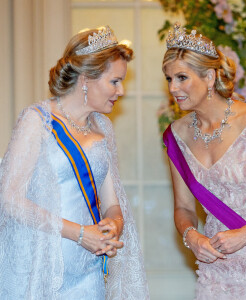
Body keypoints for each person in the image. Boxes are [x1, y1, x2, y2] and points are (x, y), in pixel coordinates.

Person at [0, 26, 149, 299]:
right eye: (114, 81)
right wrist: (81, 234)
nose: (122, 91)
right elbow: (10, 199)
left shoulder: (102, 128)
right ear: (86, 79)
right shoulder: (38, 121)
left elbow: (112, 201)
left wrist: (114, 222)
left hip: (89, 271)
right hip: (44, 268)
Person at [162, 22, 246, 299]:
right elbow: (183, 208)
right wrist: (192, 237)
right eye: (169, 79)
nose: (173, 88)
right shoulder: (176, 136)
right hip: (218, 266)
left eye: (182, 78)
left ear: (210, 78)